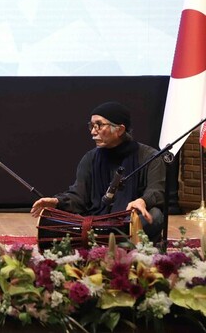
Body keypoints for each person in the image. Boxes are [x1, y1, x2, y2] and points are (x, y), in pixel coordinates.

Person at [30, 101, 166, 242]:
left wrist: (142, 201)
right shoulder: (90, 158)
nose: (93, 131)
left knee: (154, 216)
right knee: (58, 219)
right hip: (94, 221)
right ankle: (112, 239)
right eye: (92, 126)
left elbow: (157, 191)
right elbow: (79, 196)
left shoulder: (149, 157)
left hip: (131, 220)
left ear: (119, 130)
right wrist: (56, 201)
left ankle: (104, 239)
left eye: (99, 125)